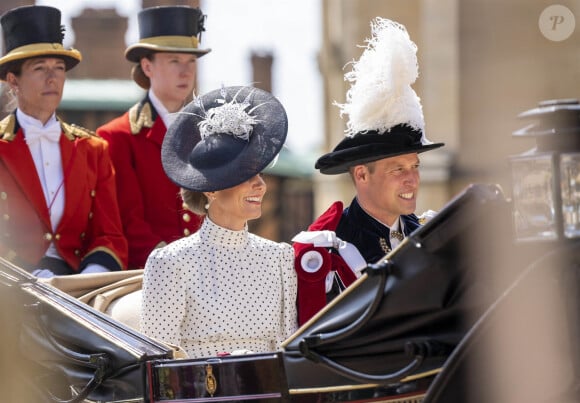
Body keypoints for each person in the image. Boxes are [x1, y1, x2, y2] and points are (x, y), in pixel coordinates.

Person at [293, 18, 444, 325]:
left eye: (414, 166)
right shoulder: (326, 251)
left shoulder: (429, 234)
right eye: (397, 169)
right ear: (361, 175)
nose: (412, 179)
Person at [140, 86, 298, 359]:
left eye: (259, 172)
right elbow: (159, 364)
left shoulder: (280, 258)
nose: (260, 185)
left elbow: (287, 352)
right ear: (210, 189)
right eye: (244, 174)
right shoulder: (170, 263)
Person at [0, 5, 128, 277]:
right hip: (10, 287)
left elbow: (110, 235)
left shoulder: (93, 150)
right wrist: (27, 276)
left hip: (79, 286)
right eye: (39, 68)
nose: (52, 77)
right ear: (14, 80)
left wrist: (88, 277)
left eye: (59, 67)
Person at [96, 6, 210, 269]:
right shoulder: (118, 136)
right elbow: (129, 222)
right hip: (149, 273)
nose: (186, 71)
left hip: (208, 270)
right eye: (174, 61)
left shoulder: (207, 133)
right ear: (147, 66)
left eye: (191, 61)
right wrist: (175, 265)